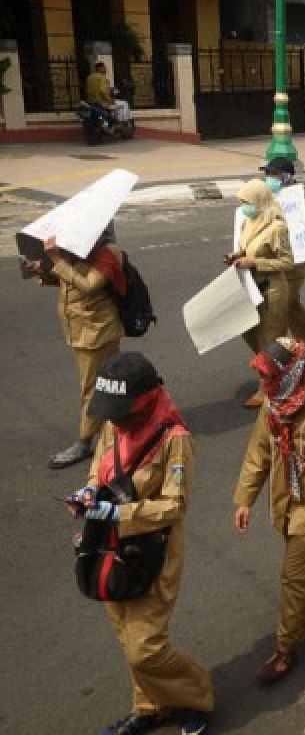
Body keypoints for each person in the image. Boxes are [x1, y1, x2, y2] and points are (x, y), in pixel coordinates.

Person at [66, 352, 213, 735]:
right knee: (126, 634)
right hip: (107, 545)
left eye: (122, 412)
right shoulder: (115, 426)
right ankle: (149, 707)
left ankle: (195, 696)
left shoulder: (174, 440)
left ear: (145, 403)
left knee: (145, 646)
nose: (115, 420)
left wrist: (121, 514)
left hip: (152, 551)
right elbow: (99, 470)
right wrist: (87, 492)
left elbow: (174, 505)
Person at [233, 338, 305, 683]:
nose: (265, 384)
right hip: (285, 500)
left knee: (294, 578)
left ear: (293, 374)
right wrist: (245, 500)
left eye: (271, 377)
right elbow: (259, 453)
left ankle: (285, 649)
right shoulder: (272, 405)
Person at [23, 229, 125, 469]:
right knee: (107, 382)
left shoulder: (108, 251)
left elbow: (89, 285)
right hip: (80, 330)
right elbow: (69, 282)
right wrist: (45, 272)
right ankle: (124, 427)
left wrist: (57, 259)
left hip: (97, 332)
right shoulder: (78, 248)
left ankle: (85, 441)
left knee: (92, 387)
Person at [228, 179, 293, 409]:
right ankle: (278, 371)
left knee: (269, 341)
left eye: (248, 202)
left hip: (272, 289)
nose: (245, 206)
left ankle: (268, 390)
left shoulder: (277, 227)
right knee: (247, 331)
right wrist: (238, 256)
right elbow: (246, 248)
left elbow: (287, 262)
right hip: (251, 288)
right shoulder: (249, 221)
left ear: (260, 201)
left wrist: (254, 262)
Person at [262, 156, 305, 344]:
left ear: (286, 176)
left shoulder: (300, 203)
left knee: (279, 306)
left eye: (274, 174)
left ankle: (276, 350)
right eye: (267, 173)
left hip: (296, 262)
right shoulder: (270, 200)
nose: (269, 178)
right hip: (279, 261)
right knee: (290, 299)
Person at [85, 61, 116, 127]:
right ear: (100, 68)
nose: (105, 69)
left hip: (91, 101)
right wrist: (109, 99)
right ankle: (113, 124)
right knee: (121, 105)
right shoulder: (102, 77)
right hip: (101, 102)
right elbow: (103, 91)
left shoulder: (89, 77)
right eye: (104, 67)